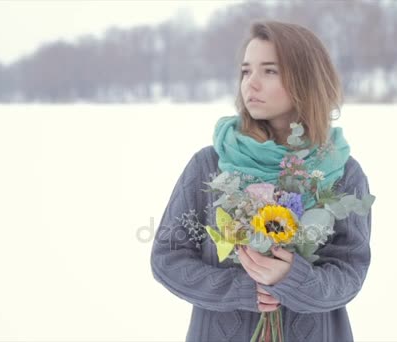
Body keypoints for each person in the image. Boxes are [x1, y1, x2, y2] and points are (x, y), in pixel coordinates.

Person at [151, 20, 372, 342]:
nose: (250, 84)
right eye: (245, 71)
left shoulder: (342, 172)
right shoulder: (210, 165)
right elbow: (168, 258)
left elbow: (350, 272)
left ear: (307, 80)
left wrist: (293, 279)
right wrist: (243, 289)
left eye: (269, 71)